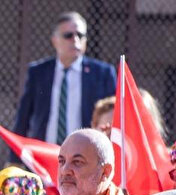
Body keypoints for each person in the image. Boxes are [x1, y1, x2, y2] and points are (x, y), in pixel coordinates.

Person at [13, 11, 117, 144]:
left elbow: (113, 116)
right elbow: (23, 118)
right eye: (68, 35)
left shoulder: (102, 73)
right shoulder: (38, 72)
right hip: (45, 152)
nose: (75, 40)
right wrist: (15, 158)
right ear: (54, 40)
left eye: (80, 35)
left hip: (85, 154)